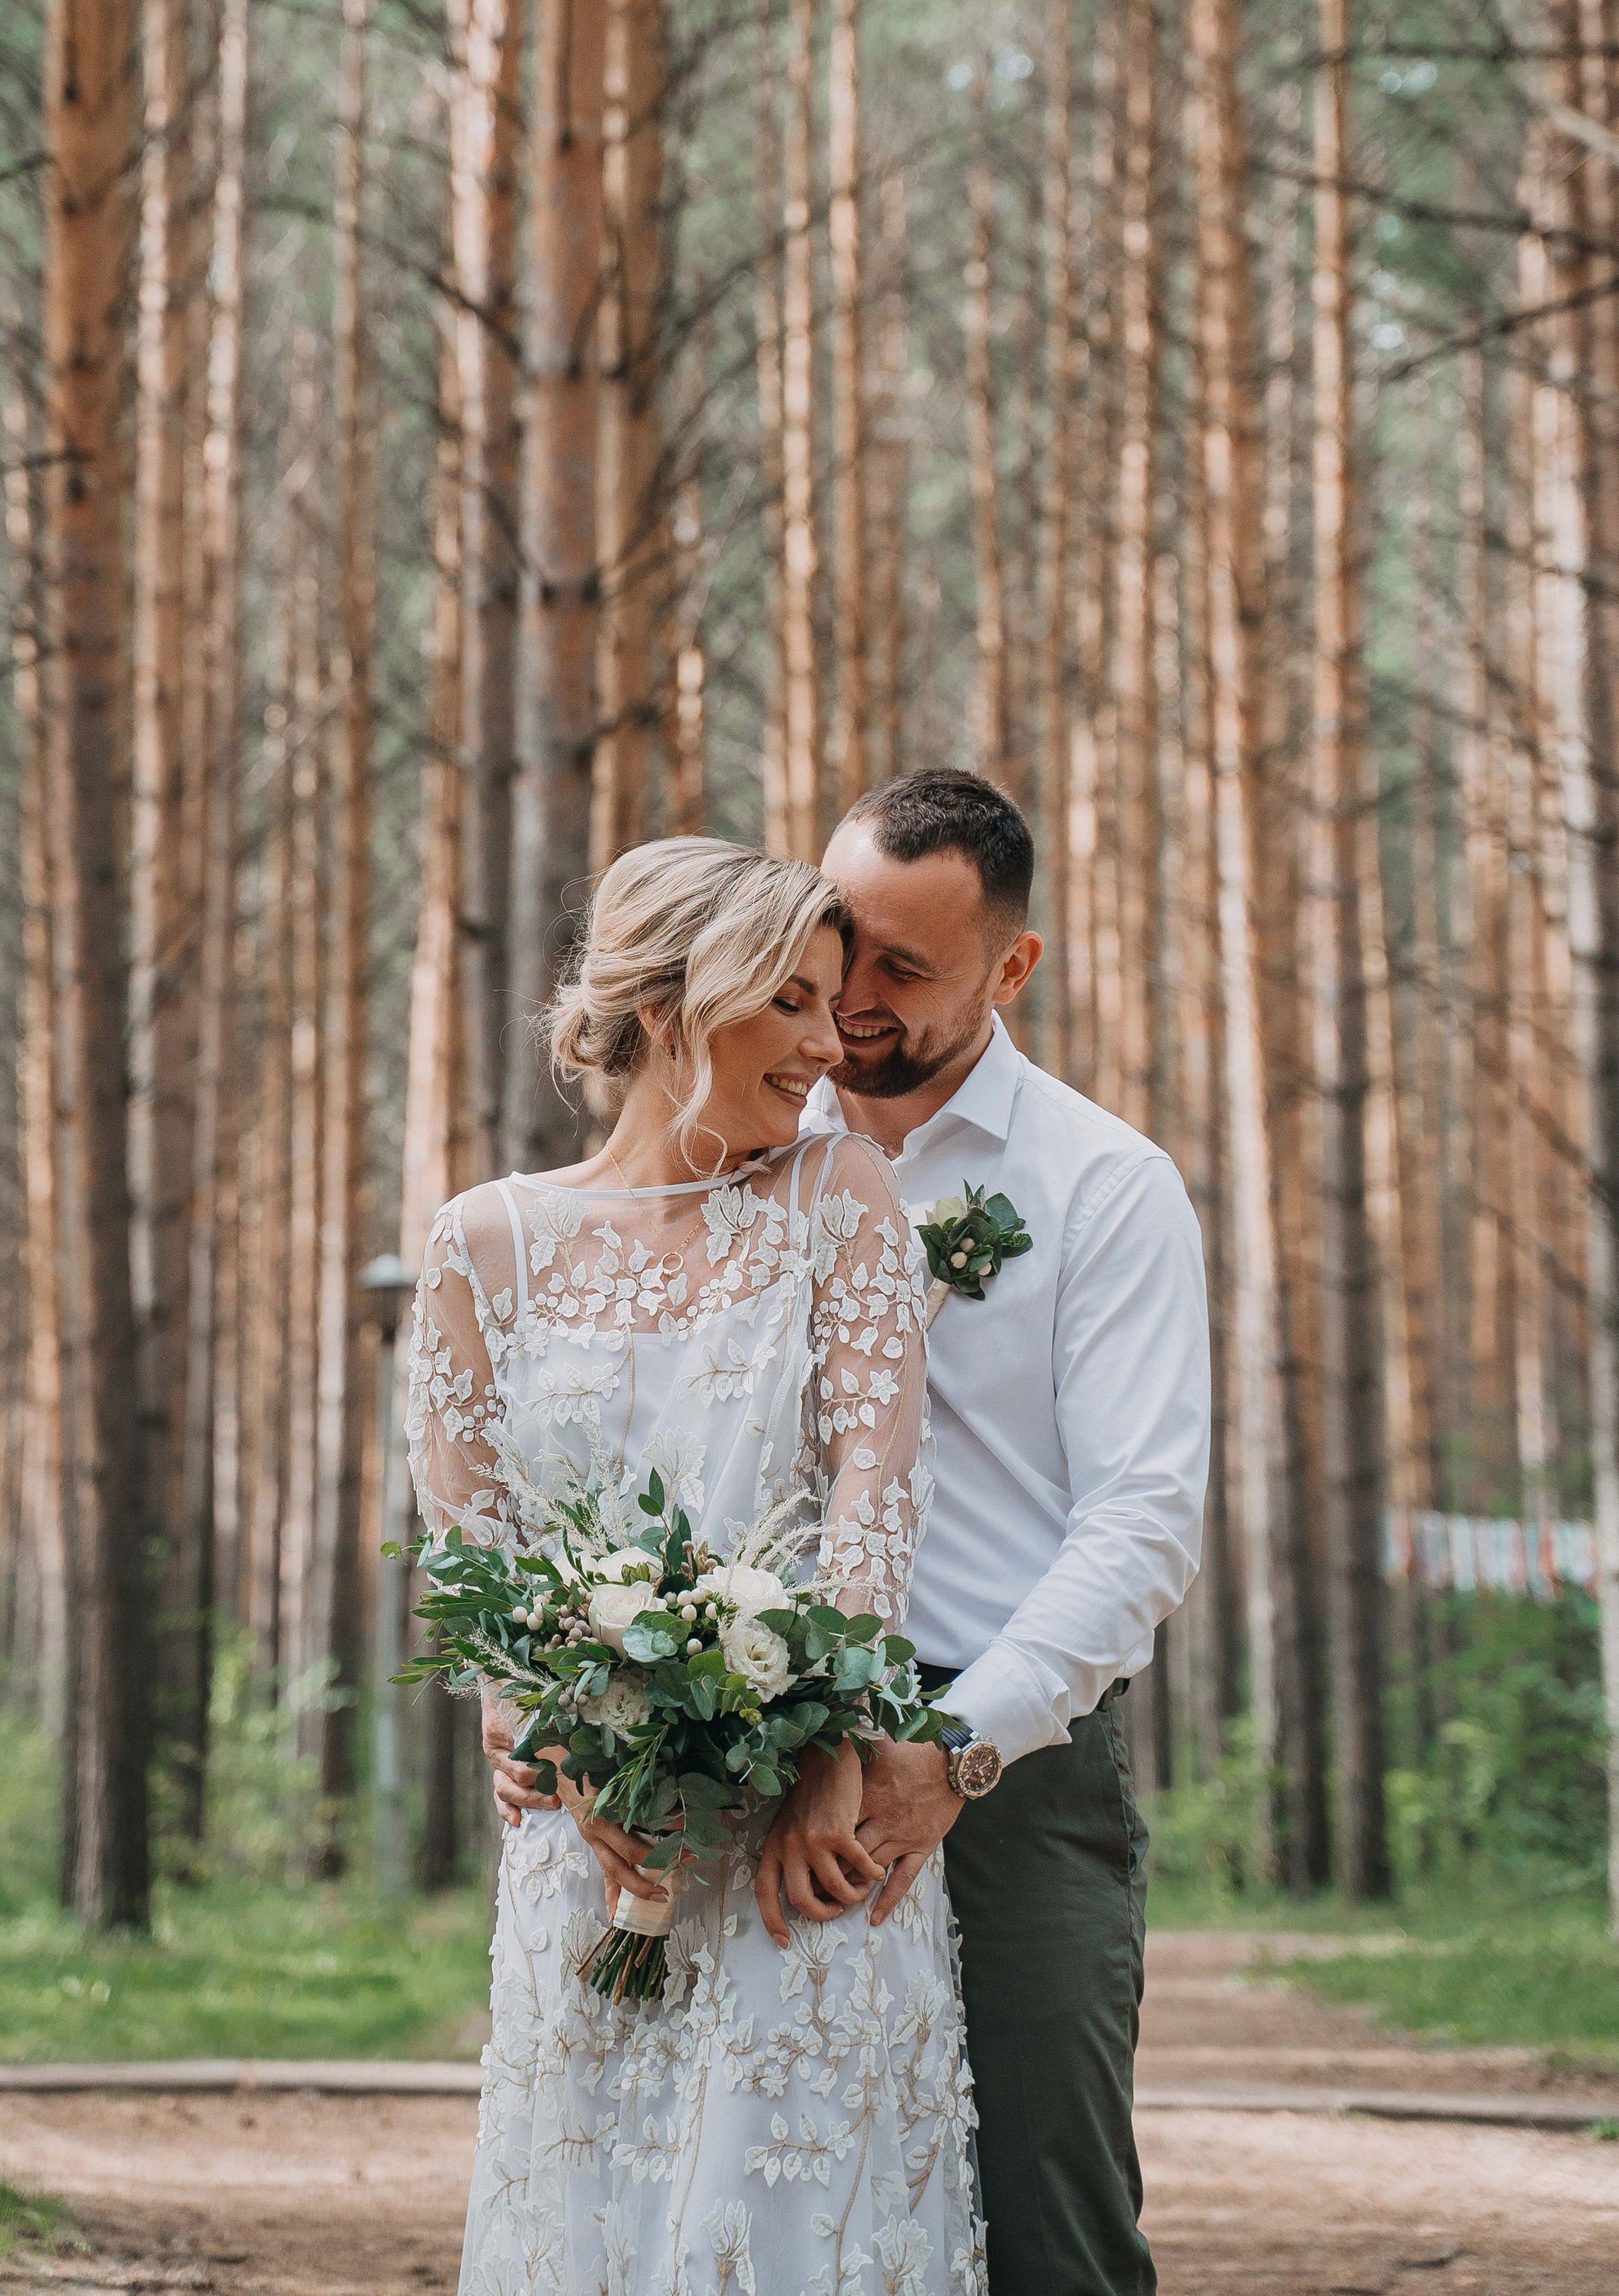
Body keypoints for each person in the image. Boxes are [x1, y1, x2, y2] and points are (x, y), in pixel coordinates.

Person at [420, 837, 985, 2296]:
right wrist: (553, 1742)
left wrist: (827, 1754)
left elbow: (874, 1499)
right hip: (598, 1853)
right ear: (674, 1004)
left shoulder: (839, 1195)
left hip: (807, 1845)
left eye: (831, 1005)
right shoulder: (484, 1245)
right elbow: (473, 1561)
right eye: (790, 1002)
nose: (828, 1045)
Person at [760, 767, 1211, 2296]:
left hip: (1008, 1760)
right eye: (840, 943)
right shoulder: (738, 1145)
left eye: (905, 967)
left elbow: (1142, 1520)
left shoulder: (1102, 1185)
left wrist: (952, 1748)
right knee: (774, 2202)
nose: (852, 997)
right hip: (746, 1743)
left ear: (1009, 969)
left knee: (1046, 2215)